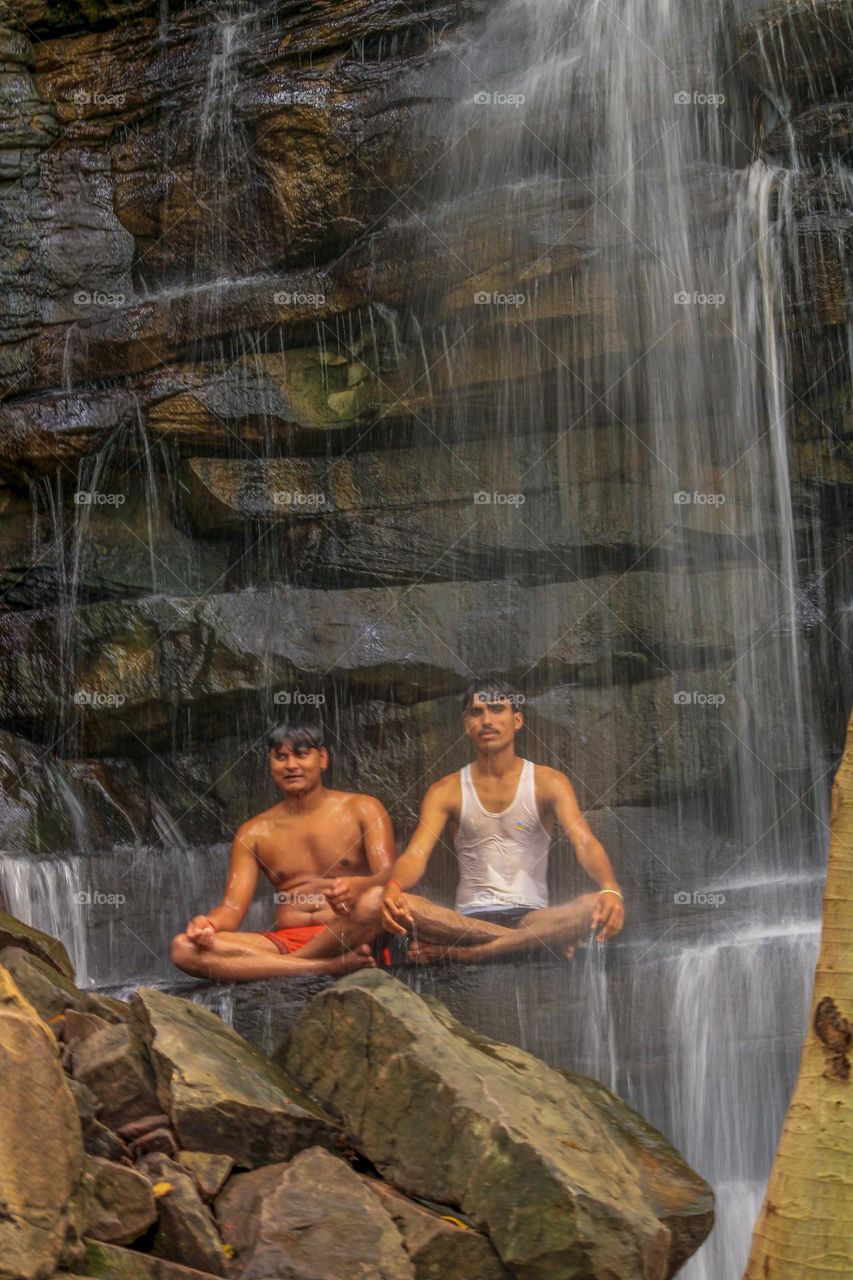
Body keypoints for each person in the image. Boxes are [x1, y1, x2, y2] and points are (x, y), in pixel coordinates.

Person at [376, 680, 625, 964]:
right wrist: (393, 887)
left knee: (593, 906)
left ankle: (467, 954)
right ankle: (535, 945)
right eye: (476, 712)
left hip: (534, 918)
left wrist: (609, 886)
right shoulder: (445, 790)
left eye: (497, 709)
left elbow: (584, 841)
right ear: (466, 725)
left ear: (517, 720)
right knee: (404, 905)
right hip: (465, 921)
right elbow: (417, 854)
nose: (487, 720)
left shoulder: (548, 782)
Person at [170, 720, 392, 982]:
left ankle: (281, 966)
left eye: (300, 754)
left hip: (347, 933)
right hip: (283, 941)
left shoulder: (363, 808)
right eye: (281, 757)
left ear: (322, 758)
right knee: (183, 948)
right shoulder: (253, 832)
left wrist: (359, 885)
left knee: (376, 899)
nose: (291, 766)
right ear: (271, 764)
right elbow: (231, 909)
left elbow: (390, 877)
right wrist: (208, 924)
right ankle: (325, 967)